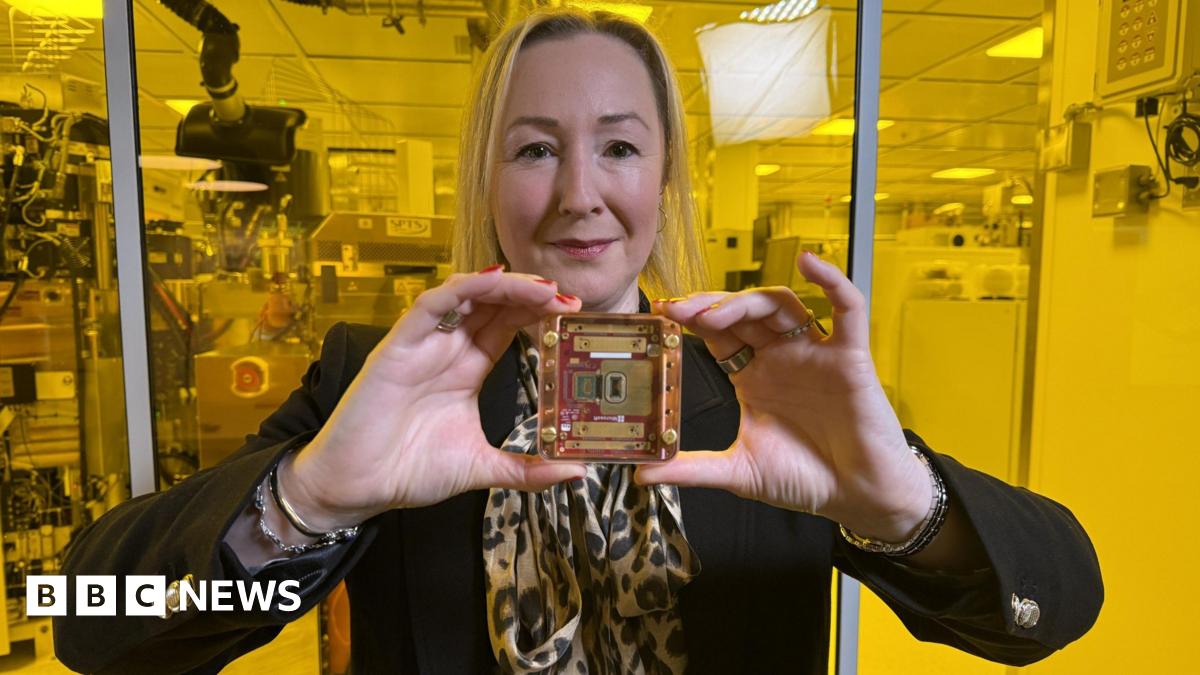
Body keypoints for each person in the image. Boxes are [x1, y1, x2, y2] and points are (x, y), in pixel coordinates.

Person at [53, 8, 1102, 674]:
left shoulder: (766, 393)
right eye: (533, 151)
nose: (578, 194)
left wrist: (902, 506)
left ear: (667, 177)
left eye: (620, 147)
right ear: (486, 177)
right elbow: (85, 614)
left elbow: (1057, 605)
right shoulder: (375, 382)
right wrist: (307, 500)